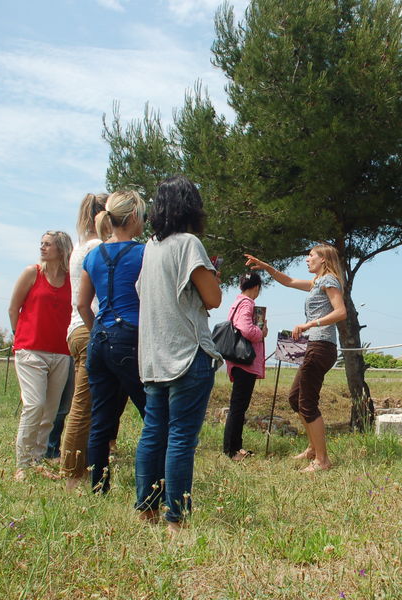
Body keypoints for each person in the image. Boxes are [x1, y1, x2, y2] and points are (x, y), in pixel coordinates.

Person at [135, 175, 221, 534]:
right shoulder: (189, 244)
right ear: (191, 207)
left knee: (153, 434)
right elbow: (213, 299)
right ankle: (176, 520)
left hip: (153, 357)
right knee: (181, 439)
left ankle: (145, 510)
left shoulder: (151, 249)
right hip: (188, 353)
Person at [244, 245, 346, 472]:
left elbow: (341, 312)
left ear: (323, 260)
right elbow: (288, 281)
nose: (307, 259)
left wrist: (309, 324)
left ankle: (322, 460)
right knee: (295, 398)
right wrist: (266, 266)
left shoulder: (329, 280)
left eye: (311, 256)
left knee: (308, 403)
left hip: (321, 346)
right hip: (313, 345)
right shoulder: (317, 283)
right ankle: (312, 448)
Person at [77, 190, 147, 494]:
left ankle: (98, 487)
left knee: (101, 419)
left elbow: (82, 304)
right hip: (130, 337)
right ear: (133, 218)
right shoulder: (143, 253)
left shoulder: (93, 255)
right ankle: (154, 485)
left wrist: (97, 331)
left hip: (99, 338)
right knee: (154, 414)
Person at [9, 230, 74, 482]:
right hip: (30, 350)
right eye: (42, 244)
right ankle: (22, 465)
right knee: (34, 405)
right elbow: (14, 307)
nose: (43, 248)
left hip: (60, 352)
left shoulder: (71, 279)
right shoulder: (32, 273)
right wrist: (20, 336)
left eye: (48, 244)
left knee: (50, 411)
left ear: (61, 249)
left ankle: (38, 460)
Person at [59, 193, 108, 491]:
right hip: (89, 328)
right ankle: (72, 474)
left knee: (87, 403)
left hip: (75, 330)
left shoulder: (79, 247)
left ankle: (83, 464)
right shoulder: (97, 247)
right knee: (82, 405)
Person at [222, 272, 268, 461]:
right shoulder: (248, 303)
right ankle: (232, 450)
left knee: (238, 406)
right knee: (238, 407)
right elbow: (246, 328)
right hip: (245, 362)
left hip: (237, 361)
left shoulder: (237, 302)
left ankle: (234, 447)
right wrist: (262, 332)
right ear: (256, 287)